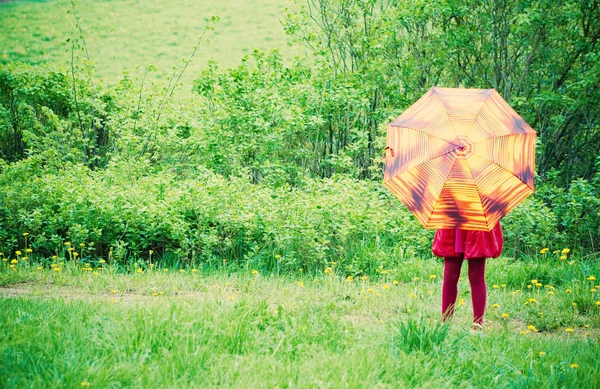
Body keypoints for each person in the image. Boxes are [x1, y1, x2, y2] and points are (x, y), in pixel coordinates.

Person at [432, 223, 503, 328]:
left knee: (477, 276)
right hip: (454, 222)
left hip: (477, 223)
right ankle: (445, 322)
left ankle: (477, 324)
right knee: (450, 276)